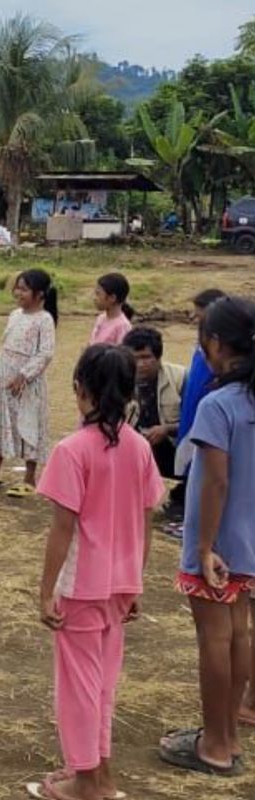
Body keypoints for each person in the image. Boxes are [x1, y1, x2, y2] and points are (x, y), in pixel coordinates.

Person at [30, 345, 163, 800]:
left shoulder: (72, 451)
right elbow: (145, 521)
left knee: (80, 686)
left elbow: (62, 530)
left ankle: (87, 779)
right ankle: (97, 774)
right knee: (102, 683)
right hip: (121, 583)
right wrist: (137, 581)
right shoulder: (141, 447)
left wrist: (46, 591)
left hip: (83, 584)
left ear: (79, 389)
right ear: (129, 391)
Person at [159, 297, 255, 777]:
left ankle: (215, 744)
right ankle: (228, 733)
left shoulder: (221, 405)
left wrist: (203, 547)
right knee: (239, 633)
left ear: (215, 343)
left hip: (218, 546)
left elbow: (215, 481)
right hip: (249, 543)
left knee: (215, 639)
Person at [0, 269, 59, 497]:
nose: (18, 293)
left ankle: (29, 477)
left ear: (39, 294)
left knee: (29, 423)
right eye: (17, 288)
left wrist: (25, 375)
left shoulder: (44, 319)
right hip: (4, 378)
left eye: (24, 289)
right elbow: (4, 346)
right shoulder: (14, 315)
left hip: (27, 384)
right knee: (2, 420)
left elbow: (46, 353)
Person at [121, 327, 187, 516]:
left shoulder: (180, 378)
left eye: (146, 357)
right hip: (134, 447)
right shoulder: (119, 379)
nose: (141, 364)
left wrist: (167, 429)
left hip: (172, 448)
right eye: (135, 358)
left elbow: (196, 423)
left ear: (158, 357)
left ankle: (182, 497)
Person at [175, 289, 229, 477]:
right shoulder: (201, 348)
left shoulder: (223, 353)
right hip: (193, 409)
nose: (196, 322)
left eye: (200, 317)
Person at [89, 273, 134, 346]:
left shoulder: (123, 326)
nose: (94, 298)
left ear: (112, 298)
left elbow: (122, 355)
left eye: (98, 294)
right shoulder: (101, 318)